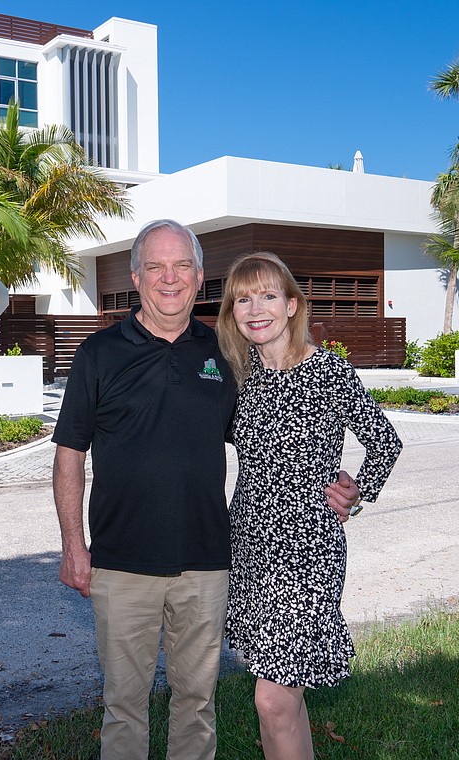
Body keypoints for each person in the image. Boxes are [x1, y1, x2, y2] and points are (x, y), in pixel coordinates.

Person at [52, 221, 362, 760]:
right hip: (122, 563)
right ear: (136, 276)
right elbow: (69, 455)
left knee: (197, 703)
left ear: (199, 277)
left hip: (207, 563)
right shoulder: (98, 353)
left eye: (180, 267)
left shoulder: (225, 353)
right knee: (124, 705)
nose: (168, 278)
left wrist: (335, 479)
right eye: (155, 266)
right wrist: (74, 548)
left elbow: (276, 433)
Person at [215, 252, 403, 760]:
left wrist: (355, 493)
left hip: (308, 550)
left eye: (268, 295)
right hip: (250, 546)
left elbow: (385, 442)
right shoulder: (236, 376)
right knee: (285, 696)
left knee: (273, 699)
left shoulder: (329, 371)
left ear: (293, 305)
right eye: (243, 298)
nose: (256, 308)